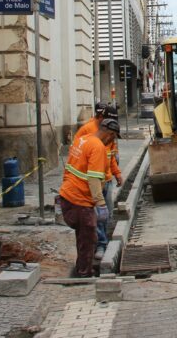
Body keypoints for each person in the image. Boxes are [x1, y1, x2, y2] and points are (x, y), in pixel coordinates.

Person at [58, 117, 120, 278]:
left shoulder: (83, 140)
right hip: (79, 199)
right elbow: (93, 179)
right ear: (110, 134)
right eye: (113, 137)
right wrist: (100, 204)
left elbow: (70, 167)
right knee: (88, 237)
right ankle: (84, 273)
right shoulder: (98, 147)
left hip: (68, 194)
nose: (112, 141)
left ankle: (81, 267)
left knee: (82, 236)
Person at [73, 103, 122, 260]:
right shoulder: (87, 131)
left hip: (106, 178)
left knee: (106, 215)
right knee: (96, 215)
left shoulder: (109, 133)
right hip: (93, 180)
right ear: (102, 119)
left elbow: (111, 155)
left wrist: (116, 173)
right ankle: (100, 245)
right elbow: (78, 155)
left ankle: (104, 242)